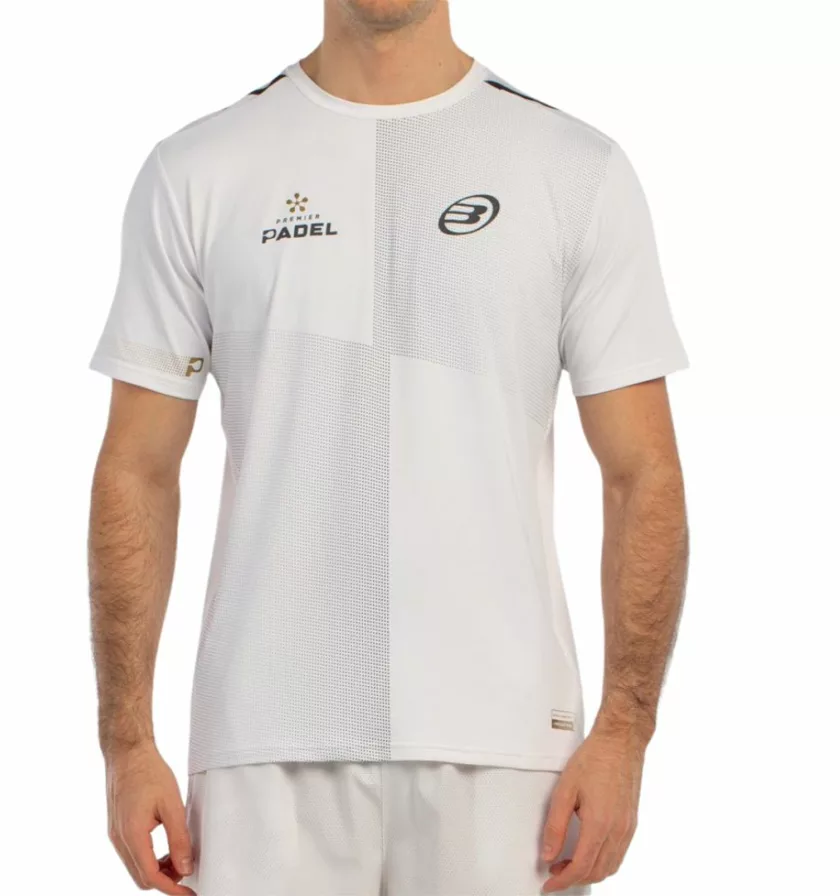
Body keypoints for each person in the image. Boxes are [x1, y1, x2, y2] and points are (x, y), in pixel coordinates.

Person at [88, 1, 689, 893]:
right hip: (264, 740)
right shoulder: (201, 170)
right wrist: (126, 741)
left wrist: (626, 731)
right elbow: (137, 470)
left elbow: (643, 476)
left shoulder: (571, 168)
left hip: (508, 749)